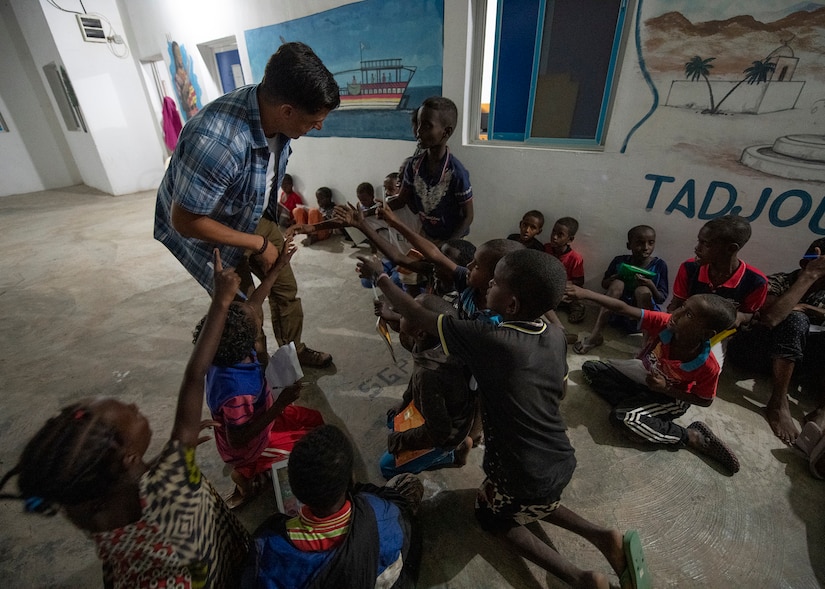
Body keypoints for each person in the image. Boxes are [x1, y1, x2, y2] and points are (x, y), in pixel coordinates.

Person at [358, 249, 650, 589]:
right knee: (536, 501)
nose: (490, 285)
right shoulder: (555, 334)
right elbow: (558, 391)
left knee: (492, 516)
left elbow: (420, 317)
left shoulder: (492, 341)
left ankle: (581, 578)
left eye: (495, 282)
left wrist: (381, 275)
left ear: (511, 305)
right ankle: (604, 537)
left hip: (519, 469)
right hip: (556, 455)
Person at [0, 250, 251, 588]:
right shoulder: (172, 480)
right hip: (216, 567)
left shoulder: (82, 504)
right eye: (131, 413)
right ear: (128, 457)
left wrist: (167, 456)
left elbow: (120, 483)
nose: (135, 405)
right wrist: (220, 301)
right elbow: (195, 375)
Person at [154, 41, 339, 369]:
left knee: (284, 288)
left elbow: (262, 176)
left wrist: (267, 236)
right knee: (241, 309)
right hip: (206, 224)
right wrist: (259, 243)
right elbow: (184, 220)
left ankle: (291, 353)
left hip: (248, 210)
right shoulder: (216, 142)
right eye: (314, 121)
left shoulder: (271, 109)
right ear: (287, 111)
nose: (319, 126)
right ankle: (259, 366)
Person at [197, 236, 324, 508]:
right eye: (255, 317)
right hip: (249, 445)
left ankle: (259, 468)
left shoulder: (228, 350)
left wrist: (279, 267)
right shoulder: (234, 390)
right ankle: (247, 473)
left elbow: (257, 298)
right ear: (248, 338)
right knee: (313, 446)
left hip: (259, 410)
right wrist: (281, 404)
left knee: (314, 419)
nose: (256, 310)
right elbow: (238, 437)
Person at [569, 285, 741, 474]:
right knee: (591, 369)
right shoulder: (667, 324)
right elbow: (623, 309)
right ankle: (641, 412)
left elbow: (705, 400)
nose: (676, 313)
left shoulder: (708, 366)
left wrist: (666, 388)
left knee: (622, 418)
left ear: (707, 334)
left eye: (689, 315)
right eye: (682, 306)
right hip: (642, 378)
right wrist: (587, 293)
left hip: (670, 398)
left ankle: (690, 436)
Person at [242, 424, 424, 589]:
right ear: (351, 478)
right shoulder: (381, 514)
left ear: (296, 492)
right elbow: (405, 535)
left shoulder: (268, 545)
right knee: (406, 483)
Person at [727, 239, 825, 446]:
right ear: (804, 263)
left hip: (797, 365)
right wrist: (809, 276)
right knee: (795, 320)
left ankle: (822, 410)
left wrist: (806, 307)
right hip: (754, 353)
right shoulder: (777, 281)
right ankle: (778, 403)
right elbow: (771, 318)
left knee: (801, 316)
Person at [379, 294, 474, 479]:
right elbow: (415, 378)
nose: (400, 313)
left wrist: (398, 440)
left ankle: (453, 453)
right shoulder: (433, 344)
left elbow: (439, 432)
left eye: (406, 314)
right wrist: (405, 401)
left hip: (447, 434)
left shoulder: (432, 373)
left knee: (386, 467)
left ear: (420, 332)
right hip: (443, 415)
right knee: (392, 419)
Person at [667, 215, 768, 367]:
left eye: (705, 244)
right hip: (683, 328)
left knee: (705, 367)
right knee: (660, 357)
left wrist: (737, 317)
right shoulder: (689, 268)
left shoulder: (756, 281)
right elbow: (676, 304)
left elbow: (749, 314)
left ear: (731, 248)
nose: (697, 248)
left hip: (719, 334)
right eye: (699, 241)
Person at [573, 225, 669, 354]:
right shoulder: (620, 261)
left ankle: (645, 346)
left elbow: (661, 298)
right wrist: (617, 277)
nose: (646, 247)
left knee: (643, 291)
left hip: (639, 318)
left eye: (650, 243)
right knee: (618, 284)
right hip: (615, 315)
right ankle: (595, 335)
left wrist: (650, 284)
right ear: (629, 245)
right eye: (640, 243)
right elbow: (604, 284)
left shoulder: (659, 265)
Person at [391, 96, 473, 244]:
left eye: (427, 126)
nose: (418, 131)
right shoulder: (414, 165)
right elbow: (400, 200)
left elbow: (468, 217)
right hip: (426, 233)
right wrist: (367, 213)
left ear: (446, 132)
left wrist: (448, 245)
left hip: (452, 240)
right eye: (419, 124)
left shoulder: (456, 173)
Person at [544, 216, 586, 324]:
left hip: (563, 288)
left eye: (560, 235)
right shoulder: (546, 248)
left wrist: (562, 283)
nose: (554, 237)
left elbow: (580, 281)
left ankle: (575, 309)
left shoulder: (575, 258)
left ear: (570, 239)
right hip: (548, 287)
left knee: (574, 298)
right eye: (553, 231)